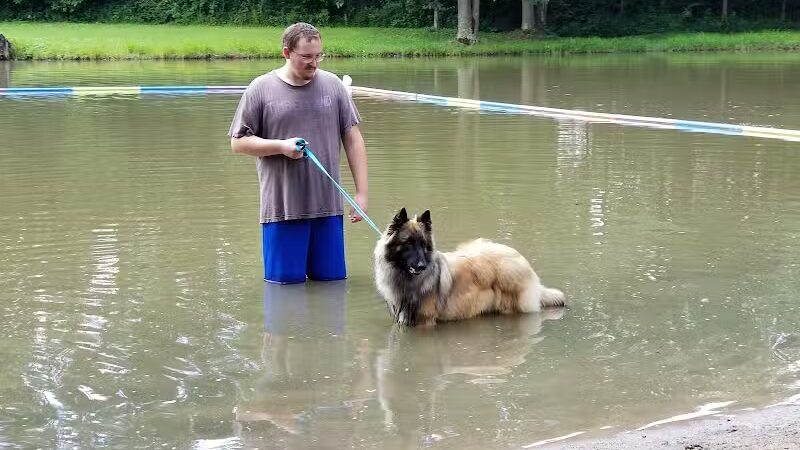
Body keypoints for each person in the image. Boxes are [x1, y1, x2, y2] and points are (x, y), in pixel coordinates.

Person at [229, 22, 368, 284]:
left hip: (328, 209)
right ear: (286, 53)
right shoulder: (260, 89)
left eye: (318, 56)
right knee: (284, 291)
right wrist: (281, 146)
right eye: (306, 57)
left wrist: (361, 194)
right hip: (282, 210)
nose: (314, 63)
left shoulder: (333, 86)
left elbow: (353, 139)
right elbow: (238, 143)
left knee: (333, 288)